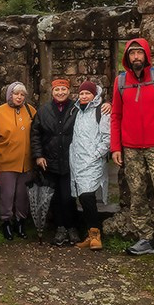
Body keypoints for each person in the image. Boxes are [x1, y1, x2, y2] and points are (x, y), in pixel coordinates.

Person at [110, 38, 154, 266]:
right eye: (132, 54)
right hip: (131, 148)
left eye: (139, 53)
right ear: (127, 57)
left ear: (146, 55)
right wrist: (116, 147)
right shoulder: (121, 82)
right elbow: (116, 116)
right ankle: (145, 239)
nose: (136, 57)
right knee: (137, 194)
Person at [31, 77, 80, 246]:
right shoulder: (44, 110)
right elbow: (36, 134)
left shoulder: (76, 108)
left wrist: (107, 105)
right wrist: (39, 155)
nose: (60, 92)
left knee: (69, 196)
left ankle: (72, 227)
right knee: (56, 197)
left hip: (70, 160)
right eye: (57, 90)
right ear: (52, 92)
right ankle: (60, 228)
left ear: (69, 91)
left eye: (63, 89)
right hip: (50, 160)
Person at [0, 81, 36, 240]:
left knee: (23, 195)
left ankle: (20, 221)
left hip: (26, 162)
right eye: (16, 94)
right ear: (10, 95)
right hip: (6, 160)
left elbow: (37, 133)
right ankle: (6, 222)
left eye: (22, 95)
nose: (19, 97)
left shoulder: (31, 111)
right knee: (7, 194)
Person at [69, 80, 111, 250]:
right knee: (83, 198)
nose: (84, 96)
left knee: (87, 196)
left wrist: (95, 156)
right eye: (82, 93)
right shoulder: (77, 110)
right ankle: (90, 233)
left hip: (93, 161)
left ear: (94, 95)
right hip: (77, 161)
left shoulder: (101, 111)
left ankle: (96, 236)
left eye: (88, 93)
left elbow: (107, 138)